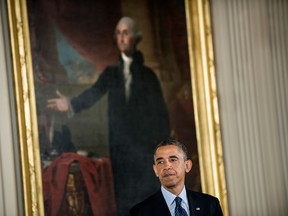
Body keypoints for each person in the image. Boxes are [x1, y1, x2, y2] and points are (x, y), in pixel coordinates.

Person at [47, 17, 170, 216]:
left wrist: (162, 152)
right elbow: (93, 94)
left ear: (136, 38)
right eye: (118, 33)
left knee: (150, 202)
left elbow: (161, 116)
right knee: (125, 203)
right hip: (121, 150)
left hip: (146, 152)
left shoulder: (148, 76)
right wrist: (70, 104)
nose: (121, 38)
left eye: (126, 33)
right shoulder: (111, 74)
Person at [130, 139, 223, 216]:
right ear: (155, 170)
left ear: (187, 166)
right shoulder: (140, 212)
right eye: (160, 162)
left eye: (173, 160)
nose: (167, 166)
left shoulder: (210, 204)